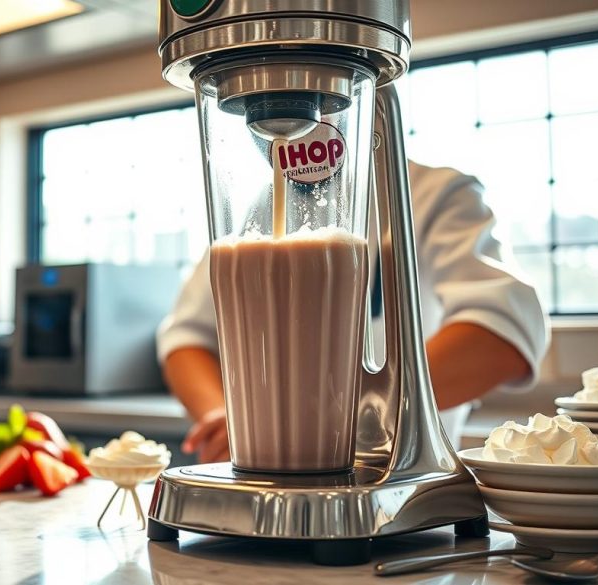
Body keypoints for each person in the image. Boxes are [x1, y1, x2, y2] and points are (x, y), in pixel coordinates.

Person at [157, 162, 550, 464]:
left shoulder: (430, 193)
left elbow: (502, 334)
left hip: (399, 470)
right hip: (265, 466)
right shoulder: (260, 210)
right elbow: (188, 339)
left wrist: (325, 416)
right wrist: (228, 417)